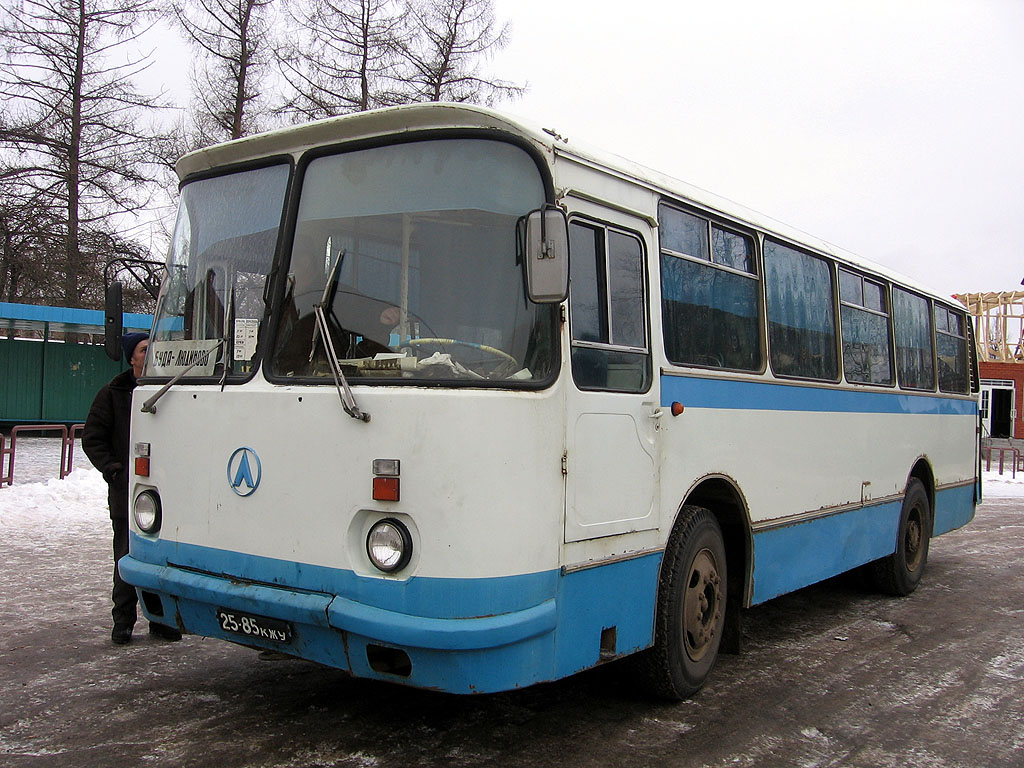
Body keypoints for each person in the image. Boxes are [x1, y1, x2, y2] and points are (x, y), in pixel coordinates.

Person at [83, 332, 182, 645]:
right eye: (143, 349)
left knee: (161, 559)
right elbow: (93, 438)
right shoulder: (113, 393)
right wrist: (114, 470)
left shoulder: (170, 390)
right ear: (132, 358)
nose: (149, 352)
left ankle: (161, 620)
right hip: (128, 492)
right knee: (127, 555)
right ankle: (123, 621)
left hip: (166, 492)